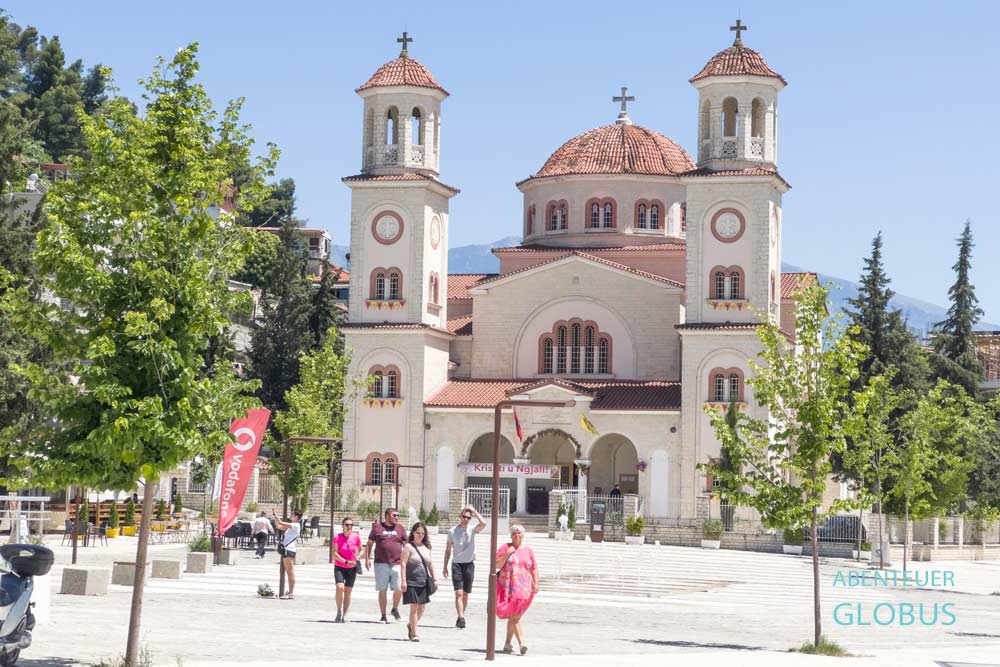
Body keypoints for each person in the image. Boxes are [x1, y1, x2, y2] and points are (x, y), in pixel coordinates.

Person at [495, 524, 538, 655]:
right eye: (514, 533)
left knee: (514, 617)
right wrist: (507, 554)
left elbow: (534, 568)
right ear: (511, 535)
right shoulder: (505, 547)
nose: (517, 535)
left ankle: (507, 644)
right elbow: (496, 564)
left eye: (519, 533)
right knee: (515, 616)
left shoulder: (528, 550)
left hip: (524, 590)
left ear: (523, 535)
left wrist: (536, 583)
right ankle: (522, 643)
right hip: (509, 588)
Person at [443, 505, 485, 628]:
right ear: (459, 517)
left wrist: (474, 511)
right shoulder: (452, 531)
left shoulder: (472, 530)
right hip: (456, 564)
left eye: (468, 517)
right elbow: (448, 550)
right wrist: (445, 566)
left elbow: (483, 524)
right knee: (459, 593)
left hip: (469, 565)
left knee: (466, 594)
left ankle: (461, 615)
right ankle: (461, 617)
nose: (465, 519)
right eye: (464, 516)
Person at [365, 507, 407, 623]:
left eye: (397, 515)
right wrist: (367, 559)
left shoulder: (400, 529)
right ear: (387, 516)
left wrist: (407, 561)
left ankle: (394, 608)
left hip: (397, 564)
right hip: (381, 563)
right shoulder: (377, 528)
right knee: (382, 590)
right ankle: (383, 615)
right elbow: (369, 544)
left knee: (399, 588)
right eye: (394, 515)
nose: (397, 517)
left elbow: (406, 546)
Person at [400, 522, 436, 642]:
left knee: (422, 608)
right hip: (411, 581)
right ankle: (415, 633)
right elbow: (403, 564)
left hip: (424, 581)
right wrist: (403, 580)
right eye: (418, 533)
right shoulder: (408, 547)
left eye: (422, 533)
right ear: (413, 533)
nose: (420, 535)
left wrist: (435, 578)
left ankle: (411, 625)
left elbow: (430, 564)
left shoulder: (426, 547)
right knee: (414, 608)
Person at [334, 516, 362, 623]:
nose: (349, 527)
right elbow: (335, 553)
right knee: (339, 587)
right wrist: (345, 561)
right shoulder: (337, 537)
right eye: (347, 525)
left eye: (351, 525)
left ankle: (344, 615)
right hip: (340, 566)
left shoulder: (356, 537)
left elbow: (361, 549)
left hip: (352, 568)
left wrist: (358, 558)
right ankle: (338, 611)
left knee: (348, 592)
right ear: (342, 526)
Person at [273, 510, 302, 599]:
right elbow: (279, 526)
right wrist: (275, 517)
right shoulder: (291, 526)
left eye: (292, 514)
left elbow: (281, 522)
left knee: (290, 571)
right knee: (289, 571)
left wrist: (276, 513)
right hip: (287, 549)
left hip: (289, 549)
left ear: (296, 517)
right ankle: (289, 591)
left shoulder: (296, 525)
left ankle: (291, 592)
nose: (291, 515)